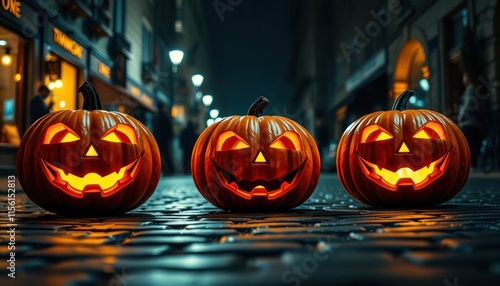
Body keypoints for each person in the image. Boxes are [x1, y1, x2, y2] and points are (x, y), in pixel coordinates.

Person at [458, 72, 490, 169]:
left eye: (464, 76)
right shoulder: (471, 88)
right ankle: (473, 164)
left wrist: (463, 116)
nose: (463, 79)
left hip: (469, 123)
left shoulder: (471, 88)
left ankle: (472, 164)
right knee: (472, 144)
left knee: (469, 145)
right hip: (472, 122)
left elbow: (469, 104)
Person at [154, 103, 175, 176]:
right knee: (165, 154)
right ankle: (169, 169)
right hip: (164, 138)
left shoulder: (158, 116)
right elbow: (168, 128)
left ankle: (164, 169)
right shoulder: (164, 116)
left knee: (162, 155)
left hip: (160, 138)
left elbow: (157, 128)